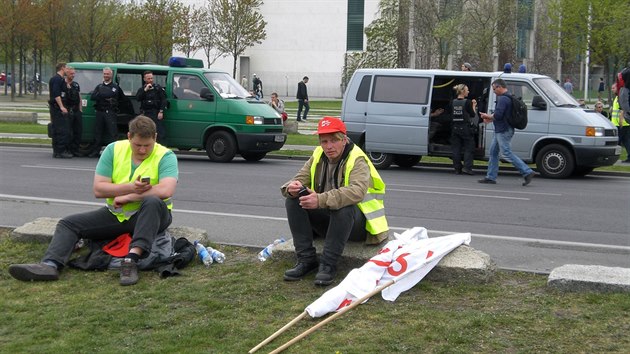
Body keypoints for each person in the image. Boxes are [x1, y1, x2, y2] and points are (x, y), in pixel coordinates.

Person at [9, 116, 179, 286]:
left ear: (155, 138)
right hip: (117, 214)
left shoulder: (165, 155)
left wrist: (129, 196)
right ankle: (49, 265)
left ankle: (131, 261)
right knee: (68, 223)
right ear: (129, 137)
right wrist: (130, 187)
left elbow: (165, 190)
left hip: (153, 216)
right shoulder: (113, 150)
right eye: (137, 145)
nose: (142, 150)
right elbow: (99, 189)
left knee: (153, 202)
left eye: (147, 146)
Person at [280, 117, 389, 286]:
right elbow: (298, 178)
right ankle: (306, 260)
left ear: (344, 140)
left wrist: (320, 199)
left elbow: (356, 192)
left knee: (343, 207)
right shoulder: (318, 154)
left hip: (359, 227)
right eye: (324, 141)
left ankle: (328, 265)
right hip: (331, 221)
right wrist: (291, 188)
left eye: (334, 140)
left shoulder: (357, 158)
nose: (328, 146)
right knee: (293, 200)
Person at [479, 79, 535, 185]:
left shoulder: (503, 99)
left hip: (503, 130)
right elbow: (503, 115)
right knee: (493, 153)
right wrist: (490, 119)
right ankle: (490, 177)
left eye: (494, 89)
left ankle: (527, 171)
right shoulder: (509, 96)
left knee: (506, 153)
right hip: (502, 129)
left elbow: (499, 115)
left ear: (499, 87)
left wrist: (487, 116)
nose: (494, 91)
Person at [88, 67, 127, 158]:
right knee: (98, 133)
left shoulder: (115, 87)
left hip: (110, 112)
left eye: (107, 74)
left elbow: (122, 99)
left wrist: (103, 95)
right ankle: (95, 151)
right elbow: (93, 97)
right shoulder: (99, 86)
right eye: (104, 74)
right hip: (100, 112)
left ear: (111, 75)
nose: (106, 75)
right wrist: (106, 95)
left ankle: (114, 153)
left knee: (113, 133)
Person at [449, 84, 477, 175]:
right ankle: (467, 168)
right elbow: (473, 115)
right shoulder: (468, 102)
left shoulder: (452, 102)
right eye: (467, 90)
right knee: (469, 148)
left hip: (455, 127)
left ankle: (457, 168)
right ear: (462, 91)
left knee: (456, 149)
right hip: (465, 128)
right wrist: (474, 105)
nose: (468, 91)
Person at [49, 62, 73, 158]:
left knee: (58, 129)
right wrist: (62, 107)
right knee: (62, 130)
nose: (68, 70)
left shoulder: (61, 80)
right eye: (67, 68)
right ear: (62, 68)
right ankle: (60, 151)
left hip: (57, 108)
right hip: (57, 109)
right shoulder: (57, 79)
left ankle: (57, 151)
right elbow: (56, 94)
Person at [136, 71, 167, 145]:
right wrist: (145, 90)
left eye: (151, 78)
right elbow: (138, 98)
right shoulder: (142, 89)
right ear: (144, 79)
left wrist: (161, 111)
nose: (150, 80)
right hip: (145, 113)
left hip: (155, 113)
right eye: (148, 78)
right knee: (145, 132)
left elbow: (164, 100)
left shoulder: (158, 88)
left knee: (160, 132)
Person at [63, 66, 83, 157]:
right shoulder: (63, 84)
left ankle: (75, 149)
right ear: (67, 74)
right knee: (68, 132)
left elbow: (79, 97)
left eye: (74, 74)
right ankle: (67, 149)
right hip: (68, 110)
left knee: (77, 131)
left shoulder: (76, 84)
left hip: (76, 111)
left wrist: (80, 109)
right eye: (71, 74)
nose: (73, 75)